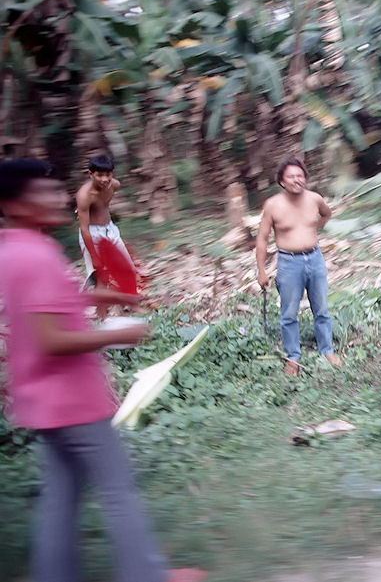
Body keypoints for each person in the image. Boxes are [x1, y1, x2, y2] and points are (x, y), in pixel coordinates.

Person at [0, 158, 205, 582]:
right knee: (118, 491)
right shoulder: (37, 254)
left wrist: (104, 300)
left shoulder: (13, 249)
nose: (55, 197)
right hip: (73, 400)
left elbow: (41, 309)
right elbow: (51, 338)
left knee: (61, 498)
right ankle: (147, 575)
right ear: (15, 204)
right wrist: (118, 335)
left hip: (41, 401)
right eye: (41, 192)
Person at [256, 157, 341, 374]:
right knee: (289, 314)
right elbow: (262, 239)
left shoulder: (314, 199)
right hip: (288, 262)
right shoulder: (273, 205)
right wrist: (261, 270)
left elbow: (326, 213)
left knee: (321, 309)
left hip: (315, 259)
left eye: (300, 175)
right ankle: (293, 357)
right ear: (282, 182)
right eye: (291, 176)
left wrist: (313, 230)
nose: (297, 180)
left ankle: (327, 350)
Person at [76, 154, 137, 316]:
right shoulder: (84, 195)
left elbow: (105, 203)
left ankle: (134, 307)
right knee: (101, 277)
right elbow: (84, 228)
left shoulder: (114, 185)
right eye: (99, 175)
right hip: (92, 234)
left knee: (128, 268)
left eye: (108, 174)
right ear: (91, 174)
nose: (104, 179)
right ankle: (101, 316)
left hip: (110, 230)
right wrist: (94, 256)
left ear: (113, 173)